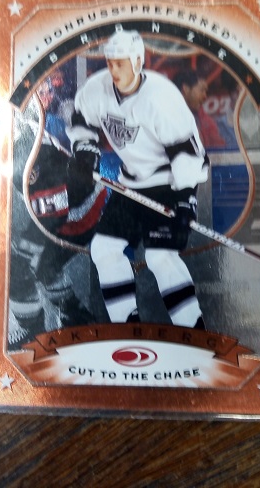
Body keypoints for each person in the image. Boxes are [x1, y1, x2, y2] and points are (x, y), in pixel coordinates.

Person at [67, 29, 209, 328]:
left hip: (169, 182)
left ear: (138, 61)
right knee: (103, 249)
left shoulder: (161, 97)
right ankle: (127, 326)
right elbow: (81, 120)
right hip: (131, 183)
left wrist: (185, 199)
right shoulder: (97, 88)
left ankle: (193, 329)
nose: (114, 70)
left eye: (120, 63)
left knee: (160, 257)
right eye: (110, 63)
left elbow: (187, 153)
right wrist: (85, 149)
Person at [8, 78, 107, 349]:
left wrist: (84, 146)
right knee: (39, 263)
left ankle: (35, 333)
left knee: (24, 263)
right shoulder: (27, 132)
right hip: (63, 207)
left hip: (77, 214)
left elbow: (68, 197)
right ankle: (73, 318)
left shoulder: (37, 149)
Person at [173, 70, 226, 149]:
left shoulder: (206, 121)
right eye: (202, 90)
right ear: (185, 89)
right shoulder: (165, 119)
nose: (205, 96)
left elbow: (220, 149)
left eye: (206, 91)